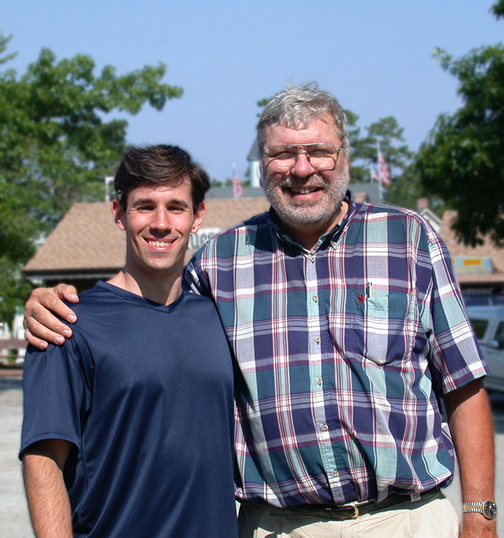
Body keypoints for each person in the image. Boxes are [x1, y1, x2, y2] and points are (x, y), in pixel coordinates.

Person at [24, 85, 497, 538]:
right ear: (263, 164)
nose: (301, 168)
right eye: (282, 154)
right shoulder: (220, 264)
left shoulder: (408, 239)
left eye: (318, 151)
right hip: (278, 526)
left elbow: (463, 381)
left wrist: (481, 514)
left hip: (404, 522)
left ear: (344, 157)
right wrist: (54, 300)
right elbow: (145, 300)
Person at [19, 145, 239, 538]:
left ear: (197, 215)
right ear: (119, 213)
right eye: (144, 206)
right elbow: (43, 457)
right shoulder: (67, 324)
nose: (160, 223)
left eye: (176, 206)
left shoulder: (221, 318)